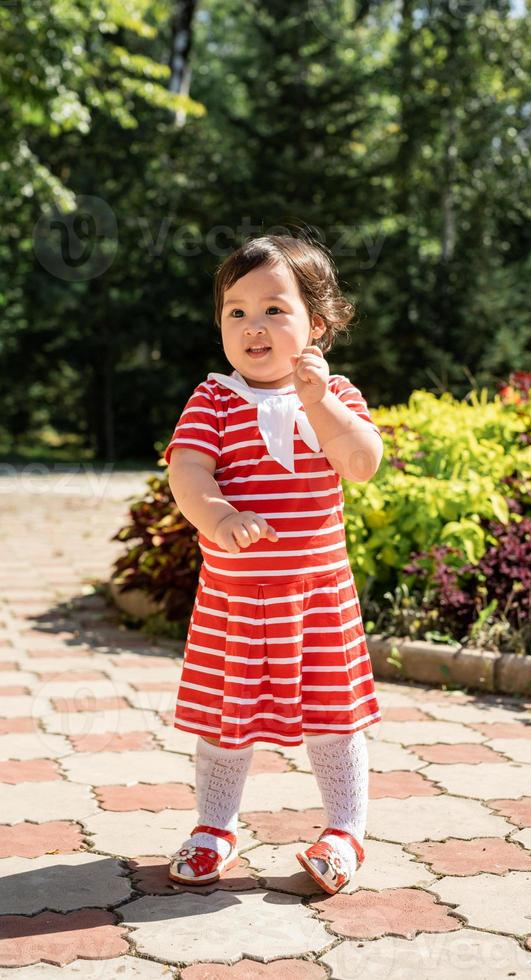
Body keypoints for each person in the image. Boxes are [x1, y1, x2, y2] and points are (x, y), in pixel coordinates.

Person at [162, 233, 384, 895]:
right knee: (225, 720)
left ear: (314, 325)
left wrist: (319, 402)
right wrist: (220, 516)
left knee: (333, 720)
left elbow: (362, 462)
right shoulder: (214, 400)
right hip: (238, 600)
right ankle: (215, 825)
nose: (252, 325)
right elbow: (188, 470)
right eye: (236, 312)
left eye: (273, 310)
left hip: (318, 598)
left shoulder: (335, 393)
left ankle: (345, 832)